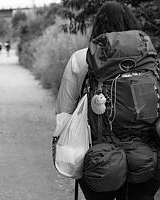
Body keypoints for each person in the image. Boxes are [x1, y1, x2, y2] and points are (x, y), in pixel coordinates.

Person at [56, 1, 160, 200]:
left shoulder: (81, 59)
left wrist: (64, 150)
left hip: (100, 160)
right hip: (147, 156)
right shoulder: (151, 61)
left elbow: (63, 112)